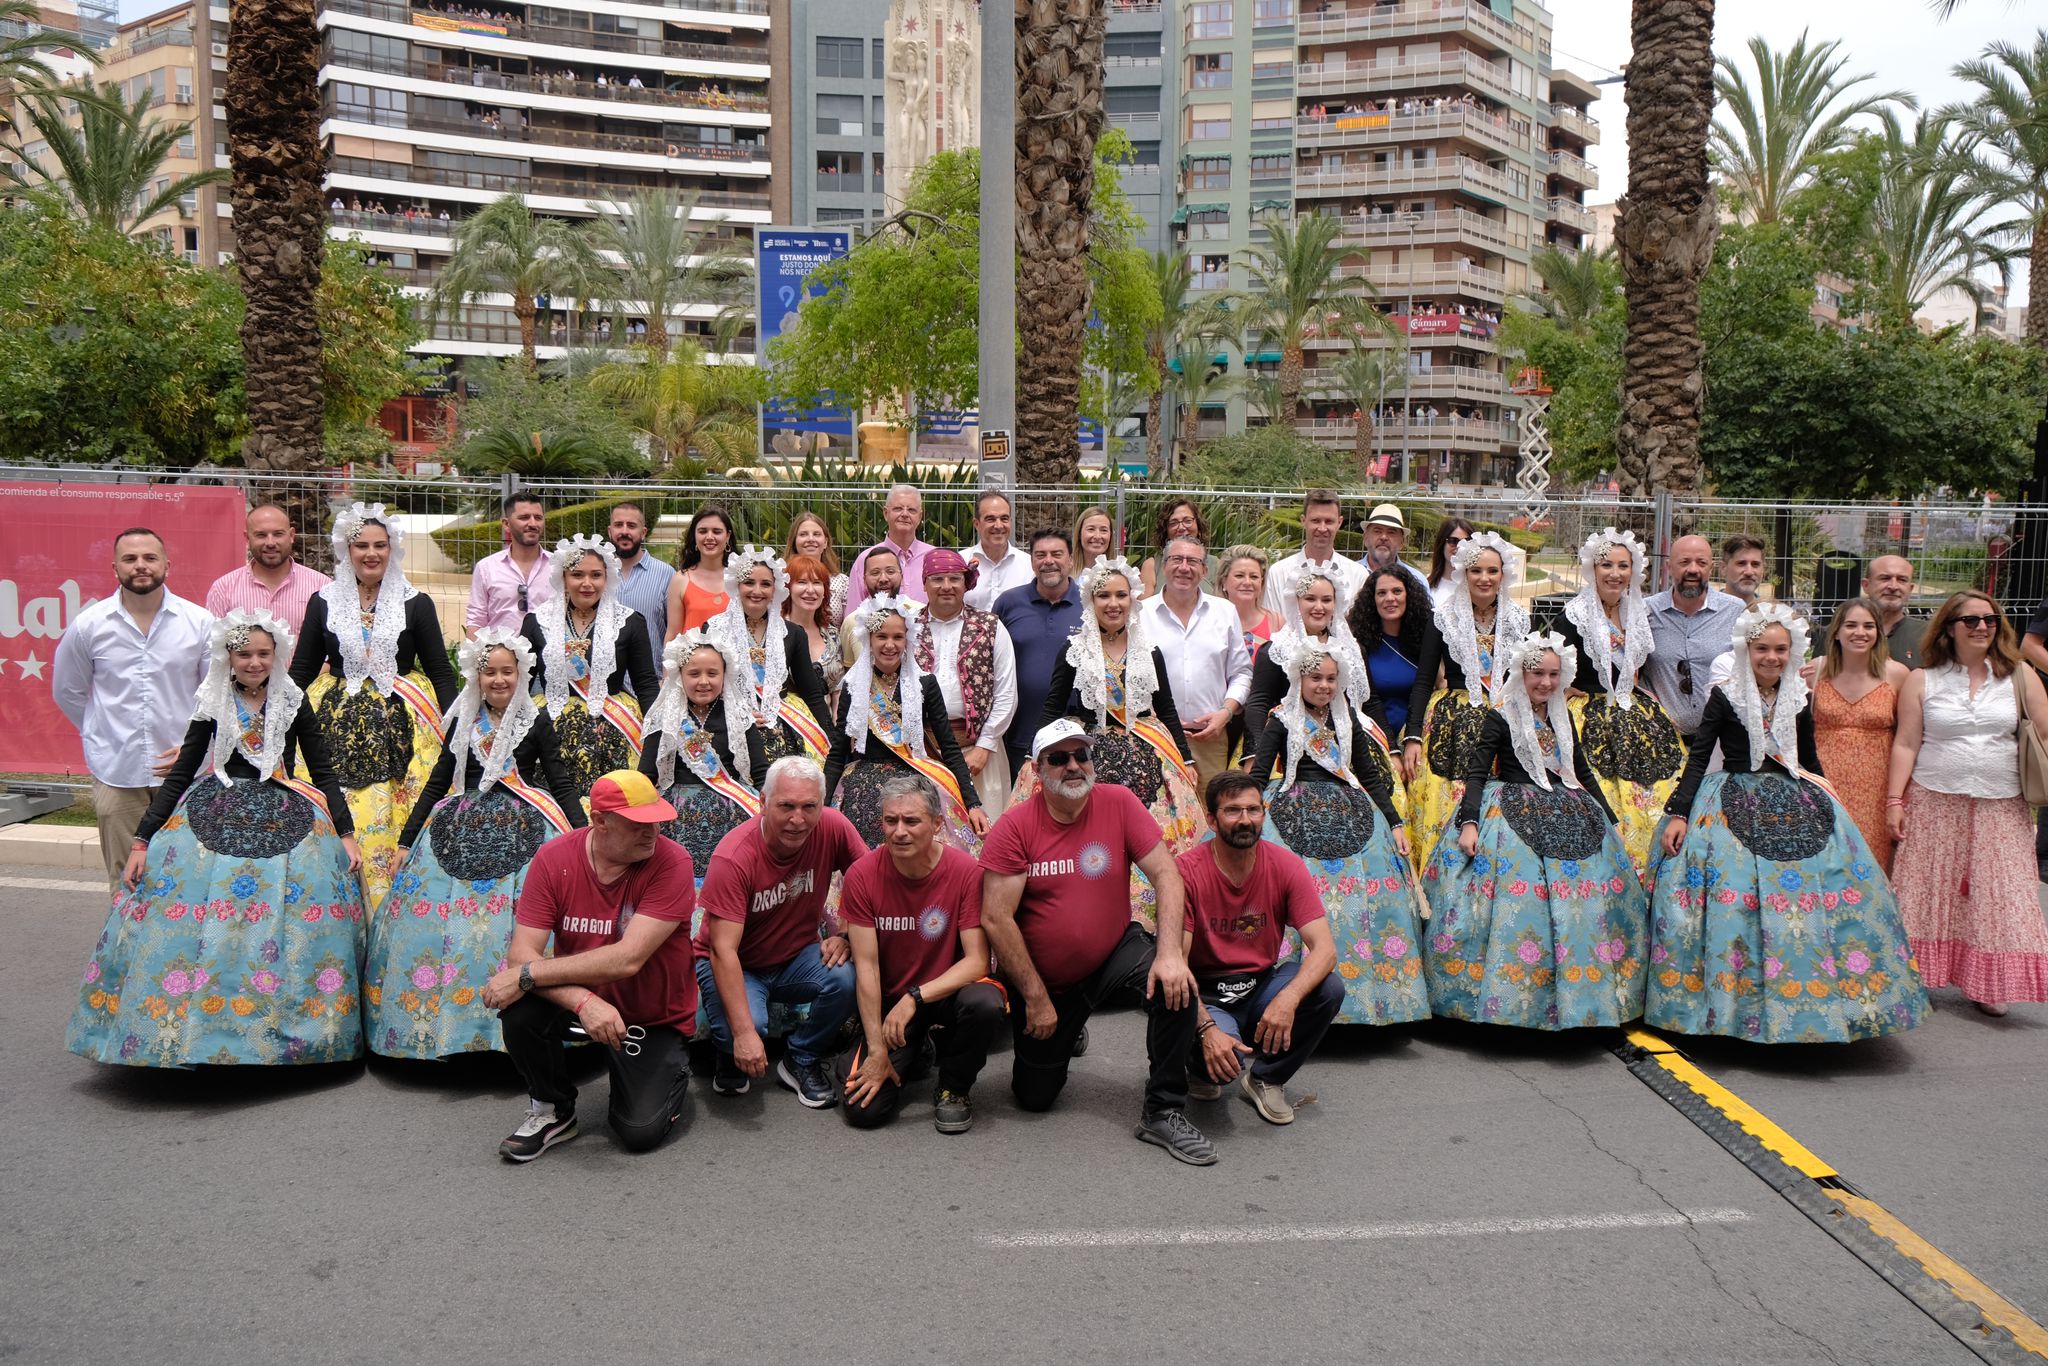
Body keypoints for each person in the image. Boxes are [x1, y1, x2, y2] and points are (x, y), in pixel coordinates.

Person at [66, 610, 363, 1068]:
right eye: (245, 653)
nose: (255, 662)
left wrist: (346, 835)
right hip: (212, 803)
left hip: (286, 806)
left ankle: (288, 1030)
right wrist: (143, 841)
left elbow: (322, 769)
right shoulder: (212, 697)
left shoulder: (293, 698)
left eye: (264, 653)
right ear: (229, 655)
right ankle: (192, 1026)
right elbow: (183, 770)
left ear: (277, 654)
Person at [1650, 604, 1926, 1042]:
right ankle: (1733, 1005)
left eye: (1781, 649)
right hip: (1731, 796)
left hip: (1792, 794)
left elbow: (1809, 757)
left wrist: (1829, 798)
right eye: (1762, 649)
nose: (1772, 658)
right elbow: (1700, 758)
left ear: (1792, 651)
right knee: (1736, 898)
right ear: (1746, 649)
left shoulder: (1800, 695)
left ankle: (1819, 1001)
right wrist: (1678, 813)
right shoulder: (1725, 695)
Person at [979, 720, 1212, 1164]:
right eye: (1059, 758)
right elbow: (996, 917)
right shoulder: (1014, 828)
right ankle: (1068, 1029)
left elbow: (1166, 873)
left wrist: (1168, 954)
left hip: (1112, 954)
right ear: (1035, 768)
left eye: (1081, 756)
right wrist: (1036, 999)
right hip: (1048, 983)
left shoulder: (1119, 803)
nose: (1073, 766)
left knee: (1176, 984)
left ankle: (1163, 1110)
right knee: (1034, 1098)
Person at [367, 628, 585, 1059]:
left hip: (527, 823)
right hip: (458, 826)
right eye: (490, 673)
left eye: (508, 671)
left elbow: (559, 779)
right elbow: (436, 782)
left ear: (521, 674)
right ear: (476, 676)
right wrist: (407, 841)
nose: (499, 680)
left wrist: (581, 834)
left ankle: (526, 1027)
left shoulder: (535, 720)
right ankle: (448, 1026)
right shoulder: (464, 718)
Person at [1422, 632, 1648, 1029]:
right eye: (1537, 674)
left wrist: (1611, 821)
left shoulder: (1562, 717)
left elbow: (1580, 770)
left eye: (1553, 674)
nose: (1545, 682)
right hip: (1507, 812)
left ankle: (1585, 993)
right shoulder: (1501, 714)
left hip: (1569, 807)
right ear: (1521, 674)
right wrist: (1470, 823)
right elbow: (1477, 772)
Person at [482, 771, 698, 1160]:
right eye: (638, 825)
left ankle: (662, 1069)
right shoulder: (554, 858)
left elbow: (627, 958)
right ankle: (553, 1109)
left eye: (657, 821)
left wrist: (528, 974)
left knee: (639, 1132)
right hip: (586, 1006)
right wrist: (583, 1002)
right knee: (520, 1007)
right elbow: (522, 953)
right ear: (599, 821)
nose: (652, 833)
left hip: (650, 1016)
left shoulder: (672, 862)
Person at [288, 503, 459, 910]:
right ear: (346, 550)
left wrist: (460, 722)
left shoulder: (416, 603)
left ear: (392, 548)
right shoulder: (323, 602)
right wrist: (270, 716)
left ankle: (392, 909)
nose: (371, 554)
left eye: (380, 545)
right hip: (333, 723)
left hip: (405, 724)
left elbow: (439, 670)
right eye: (361, 545)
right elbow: (302, 670)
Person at [1248, 645, 1429, 1028]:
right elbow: (1260, 773)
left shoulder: (1348, 719)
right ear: (1299, 680)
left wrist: (1395, 823)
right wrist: (1247, 815)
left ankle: (1362, 1000)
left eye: (1331, 679)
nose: (1324, 686)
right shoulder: (1281, 719)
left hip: (1354, 812)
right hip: (1290, 809)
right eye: (1316, 678)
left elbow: (1369, 774)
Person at [1888, 593, 2048, 1016]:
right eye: (1971, 620)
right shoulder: (1925, 679)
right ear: (1949, 628)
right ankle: (1920, 974)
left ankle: (1989, 982)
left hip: (2003, 802)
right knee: (1927, 891)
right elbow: (1906, 742)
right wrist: (1894, 800)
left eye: (1991, 619)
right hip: (1934, 797)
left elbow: (2045, 738)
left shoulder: (2020, 676)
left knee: (2001, 892)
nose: (1982, 627)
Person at [1024, 556, 1201, 924]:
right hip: (1087, 751)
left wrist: (1185, 760)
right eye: (1104, 595)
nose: (1113, 603)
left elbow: (1166, 709)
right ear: (1091, 601)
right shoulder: (1072, 650)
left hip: (1147, 750)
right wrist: (1034, 753)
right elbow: (1053, 706)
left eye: (1121, 595)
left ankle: (1151, 915)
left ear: (1132, 600)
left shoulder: (1149, 651)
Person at [840, 774, 1007, 1132]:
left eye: (911, 821)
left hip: (941, 992)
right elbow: (866, 968)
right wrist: (876, 1050)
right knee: (863, 1111)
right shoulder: (861, 875)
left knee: (985, 1002)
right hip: (889, 1006)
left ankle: (953, 1087)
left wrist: (915, 997)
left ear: (936, 823)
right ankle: (916, 1050)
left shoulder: (965, 872)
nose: (899, 831)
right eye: (890, 820)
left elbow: (978, 961)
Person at [695, 756, 865, 1107]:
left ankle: (800, 1058)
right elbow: (721, 950)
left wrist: (846, 933)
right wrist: (743, 1034)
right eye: (786, 806)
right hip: (738, 963)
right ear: (762, 802)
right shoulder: (734, 856)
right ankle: (728, 1050)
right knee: (744, 1029)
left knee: (847, 976)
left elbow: (870, 883)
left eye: (809, 807)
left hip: (795, 956)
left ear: (823, 804)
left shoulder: (833, 826)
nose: (797, 820)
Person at [1177, 771, 1346, 1124]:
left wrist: (1288, 998)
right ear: (1211, 819)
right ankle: (1198, 1065)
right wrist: (1206, 1030)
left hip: (1260, 985)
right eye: (1233, 811)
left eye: (1254, 810)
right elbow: (1176, 967)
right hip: (1206, 993)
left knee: (1328, 987)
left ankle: (1267, 1077)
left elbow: (1325, 949)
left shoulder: (1285, 865)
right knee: (1222, 1069)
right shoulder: (1187, 872)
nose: (1245, 820)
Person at [51, 527, 212, 894]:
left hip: (186, 772)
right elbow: (68, 691)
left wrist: (196, 748)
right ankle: (124, 952)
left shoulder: (199, 623)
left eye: (149, 558)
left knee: (188, 880)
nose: (141, 566)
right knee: (127, 881)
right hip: (117, 772)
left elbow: (215, 695)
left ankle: (178, 953)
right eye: (130, 558)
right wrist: (103, 733)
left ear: (167, 565)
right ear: (115, 568)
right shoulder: (89, 626)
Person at [1553, 528, 1686, 879]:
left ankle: (1658, 869)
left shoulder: (1637, 612)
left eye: (1623, 565)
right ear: (1592, 569)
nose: (1615, 573)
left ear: (1634, 570)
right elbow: (1547, 661)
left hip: (1636, 714)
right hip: (1588, 715)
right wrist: (1561, 690)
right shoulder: (1574, 614)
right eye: (1606, 565)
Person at [1402, 532, 1529, 872]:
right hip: (1452, 721)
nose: (1484, 579)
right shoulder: (1443, 617)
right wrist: (1413, 735)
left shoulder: (1518, 619)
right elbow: (1424, 679)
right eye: (1476, 571)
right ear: (1463, 574)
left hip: (1505, 718)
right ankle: (1440, 872)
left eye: (1492, 571)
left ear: (1504, 574)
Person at [826, 593, 988, 848]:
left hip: (915, 776)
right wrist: (822, 807)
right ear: (869, 639)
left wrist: (973, 803)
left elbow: (950, 748)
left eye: (897, 637)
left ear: (907, 640)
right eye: (881, 636)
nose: (889, 645)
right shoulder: (852, 685)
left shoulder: (925, 683)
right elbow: (837, 752)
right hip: (862, 782)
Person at [518, 535, 660, 803]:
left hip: (613, 730)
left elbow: (646, 684)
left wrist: (656, 734)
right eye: (577, 575)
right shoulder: (537, 622)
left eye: (596, 575)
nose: (587, 583)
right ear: (563, 578)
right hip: (552, 735)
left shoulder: (630, 622)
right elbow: (521, 686)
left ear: (607, 578)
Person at [637, 629, 767, 879]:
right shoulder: (665, 716)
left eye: (712, 673)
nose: (704, 681)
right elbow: (646, 774)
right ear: (680, 676)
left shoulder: (739, 715)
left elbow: (760, 772)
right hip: (676, 814)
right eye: (694, 674)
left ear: (725, 675)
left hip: (733, 809)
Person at [1144, 536, 1251, 795]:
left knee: (1210, 815)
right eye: (1176, 559)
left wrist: (1225, 712)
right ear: (1163, 567)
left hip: (1211, 738)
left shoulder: (1225, 612)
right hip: (1157, 737)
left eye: (1193, 561)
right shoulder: (1140, 614)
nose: (1184, 567)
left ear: (1204, 570)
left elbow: (1242, 673)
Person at [915, 548, 1018, 816]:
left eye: (954, 579)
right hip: (922, 753)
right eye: (937, 579)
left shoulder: (991, 626)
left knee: (985, 836)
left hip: (981, 754)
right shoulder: (908, 626)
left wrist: (985, 747)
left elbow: (1006, 693)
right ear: (924, 584)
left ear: (966, 582)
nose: (946, 586)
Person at [710, 546, 835, 765]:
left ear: (775, 589)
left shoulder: (792, 633)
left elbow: (811, 692)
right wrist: (739, 713)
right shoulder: (714, 629)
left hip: (783, 718)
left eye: (765, 584)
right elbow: (709, 686)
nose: (757, 591)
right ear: (736, 586)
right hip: (732, 716)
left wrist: (833, 740)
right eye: (749, 582)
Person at [1812, 596, 1908, 873]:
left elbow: (1908, 736)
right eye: (1851, 625)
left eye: (1868, 626)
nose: (1860, 633)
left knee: (1870, 864)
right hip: (1825, 781)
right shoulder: (1816, 671)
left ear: (1879, 632)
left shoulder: (1897, 675)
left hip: (1875, 785)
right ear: (1837, 632)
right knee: (1824, 863)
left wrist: (1897, 797)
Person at [995, 528, 1084, 777]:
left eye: (1057, 554)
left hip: (1077, 735)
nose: (1048, 561)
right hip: (1019, 733)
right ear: (1032, 561)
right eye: (1040, 555)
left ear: (1070, 559)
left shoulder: (1090, 604)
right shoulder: (1008, 603)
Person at [1644, 534, 1746, 743]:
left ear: (1712, 567)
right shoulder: (1647, 612)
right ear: (1668, 566)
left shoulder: (1735, 611)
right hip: (1662, 740)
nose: (1693, 569)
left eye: (1701, 562)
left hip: (1719, 742)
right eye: (1684, 562)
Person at [204, 502, 331, 634]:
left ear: (291, 536)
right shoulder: (223, 590)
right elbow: (213, 646)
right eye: (261, 535)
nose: (270, 543)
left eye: (278, 534)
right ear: (247, 538)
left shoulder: (322, 587)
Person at [1350, 564, 1429, 742]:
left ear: (1409, 595)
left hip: (1419, 740)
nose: (1390, 598)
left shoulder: (1427, 639)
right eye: (1381, 593)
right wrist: (1391, 748)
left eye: (1397, 591)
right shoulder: (1358, 644)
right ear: (1372, 599)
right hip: (1374, 740)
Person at [1263, 489, 1365, 616]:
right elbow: (1273, 626)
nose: (1322, 528)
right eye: (1316, 521)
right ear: (1303, 521)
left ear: (1339, 523)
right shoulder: (1278, 573)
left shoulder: (1358, 575)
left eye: (1329, 521)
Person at [466, 491, 551, 635]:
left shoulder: (558, 566)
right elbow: (476, 622)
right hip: (501, 654)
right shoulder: (486, 568)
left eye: (538, 518)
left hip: (546, 654)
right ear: (506, 524)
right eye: (524, 518)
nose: (533, 523)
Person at [845, 484, 935, 615]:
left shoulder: (933, 557)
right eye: (898, 509)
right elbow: (853, 615)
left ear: (920, 517)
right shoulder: (866, 559)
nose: (905, 514)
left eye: (911, 510)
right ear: (886, 513)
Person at [607, 501, 674, 656]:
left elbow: (674, 632)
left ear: (643, 532)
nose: (624, 531)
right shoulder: (598, 573)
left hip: (651, 677)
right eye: (618, 525)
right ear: (610, 531)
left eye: (631, 525)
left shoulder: (665, 574)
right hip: (606, 678)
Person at [665, 502, 735, 639]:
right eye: (703, 531)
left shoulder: (740, 578)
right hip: (691, 659)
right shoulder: (681, 579)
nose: (709, 537)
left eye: (717, 531)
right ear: (694, 536)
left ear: (727, 536)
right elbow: (673, 634)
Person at [783, 554, 845, 700]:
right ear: (788, 588)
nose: (810, 590)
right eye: (802, 582)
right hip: (787, 718)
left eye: (817, 582)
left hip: (826, 719)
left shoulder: (832, 634)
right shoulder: (776, 631)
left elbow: (837, 690)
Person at [961, 489, 1032, 611]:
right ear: (976, 523)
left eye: (1004, 518)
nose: (998, 526)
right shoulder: (961, 562)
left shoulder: (1029, 565)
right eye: (990, 519)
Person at [783, 510, 848, 626]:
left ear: (825, 542)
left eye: (816, 534)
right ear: (794, 541)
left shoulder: (842, 582)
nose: (810, 539)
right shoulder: (781, 578)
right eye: (803, 534)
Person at [1864, 554, 1926, 669]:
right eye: (1885, 578)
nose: (1893, 586)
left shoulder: (1928, 636)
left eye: (1902, 580)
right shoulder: (1841, 634)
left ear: (1910, 589)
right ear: (1866, 585)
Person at [1137, 499, 1207, 598]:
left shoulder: (1215, 564)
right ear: (1166, 530)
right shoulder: (1152, 565)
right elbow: (1144, 609)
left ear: (1198, 525)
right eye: (1173, 523)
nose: (1181, 527)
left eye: (1188, 521)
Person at [1362, 502, 1431, 601]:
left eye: (1391, 532)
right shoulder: (1348, 574)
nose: (1383, 537)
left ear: (1402, 542)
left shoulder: (1417, 580)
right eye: (1377, 531)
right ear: (1365, 538)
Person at [1424, 517, 1474, 602]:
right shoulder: (1424, 584)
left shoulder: (1479, 585)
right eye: (1453, 541)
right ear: (1442, 544)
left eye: (1467, 541)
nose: (1459, 547)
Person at [1720, 534, 1769, 606]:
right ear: (1723, 568)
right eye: (1741, 563)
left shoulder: (1772, 614)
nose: (1749, 572)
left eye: (1755, 564)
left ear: (1763, 570)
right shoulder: (1703, 613)